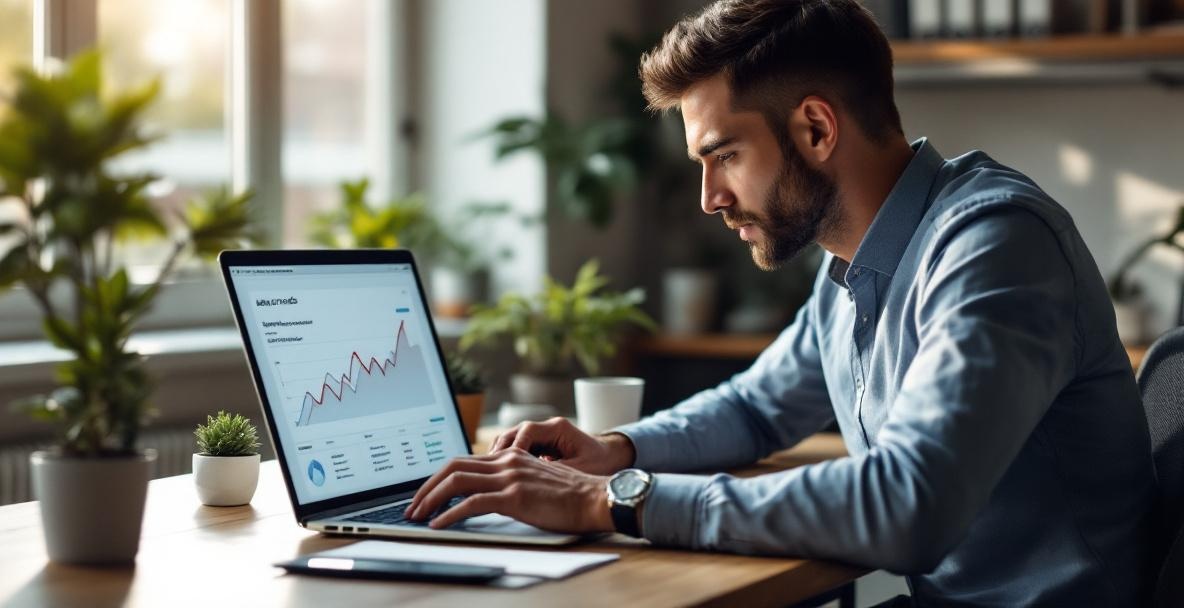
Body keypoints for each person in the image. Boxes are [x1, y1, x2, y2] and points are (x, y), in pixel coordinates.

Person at [408, 0, 1159, 604]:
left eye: (724, 157)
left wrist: (613, 500)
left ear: (815, 127)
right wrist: (617, 451)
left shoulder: (992, 243)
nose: (709, 198)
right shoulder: (852, 261)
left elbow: (910, 504)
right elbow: (756, 408)